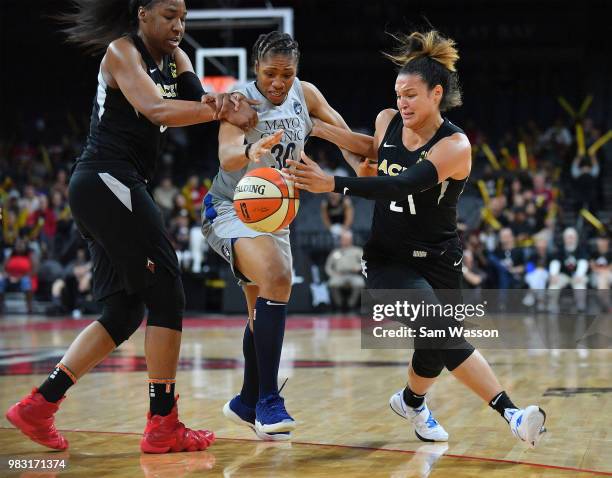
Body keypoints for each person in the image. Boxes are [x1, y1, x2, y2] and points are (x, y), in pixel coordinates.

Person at [5, 0, 257, 454]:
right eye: (168, 16)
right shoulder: (122, 52)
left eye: (183, 16)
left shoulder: (176, 58)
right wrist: (219, 112)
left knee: (123, 313)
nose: (178, 25)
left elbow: (195, 102)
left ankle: (39, 405)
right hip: (107, 178)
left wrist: (225, 101)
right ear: (142, 14)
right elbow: (158, 110)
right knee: (169, 294)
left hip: (110, 186)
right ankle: (162, 422)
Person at [284, 30, 546, 447]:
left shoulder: (455, 145)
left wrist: (331, 183)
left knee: (433, 347)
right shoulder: (388, 120)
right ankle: (512, 414)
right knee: (442, 333)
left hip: (441, 259)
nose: (402, 102)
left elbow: (402, 183)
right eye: (398, 94)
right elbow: (373, 150)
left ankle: (411, 402)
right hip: (389, 260)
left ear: (436, 94)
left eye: (410, 95)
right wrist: (322, 129)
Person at [202, 31, 361, 440]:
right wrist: (250, 154)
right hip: (232, 205)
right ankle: (269, 402)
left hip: (276, 212)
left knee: (262, 307)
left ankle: (246, 400)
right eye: (270, 73)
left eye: (286, 74)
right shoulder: (239, 100)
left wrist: (362, 163)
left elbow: (345, 138)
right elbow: (226, 155)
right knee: (277, 278)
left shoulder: (305, 95)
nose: (277, 82)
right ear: (256, 69)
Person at [325, 229, 365, 311]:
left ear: (351, 240)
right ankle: (339, 305)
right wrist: (333, 274)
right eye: (343, 239)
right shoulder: (335, 252)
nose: (345, 241)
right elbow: (328, 267)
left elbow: (365, 263)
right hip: (339, 275)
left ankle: (351, 305)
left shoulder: (357, 251)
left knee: (360, 283)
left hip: (353, 274)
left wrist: (358, 267)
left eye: (347, 239)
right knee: (332, 283)